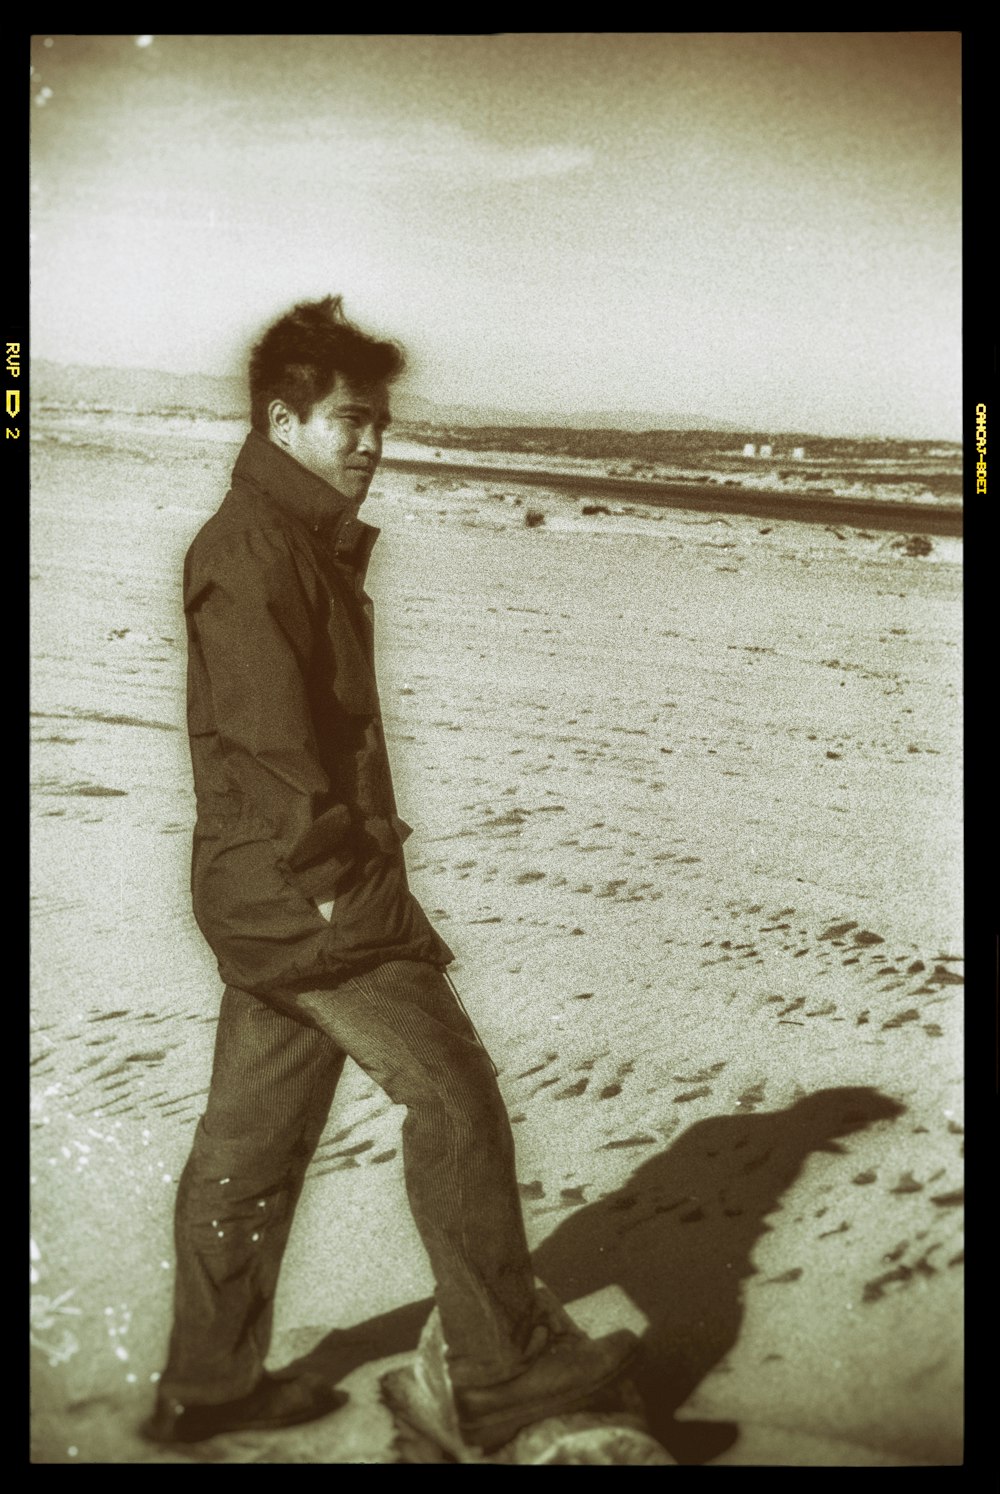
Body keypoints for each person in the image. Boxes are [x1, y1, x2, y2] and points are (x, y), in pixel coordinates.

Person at [142, 296, 636, 1453]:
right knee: (456, 1104)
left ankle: (205, 1387)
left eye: (380, 425)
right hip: (306, 903)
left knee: (248, 1143)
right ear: (284, 419)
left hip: (268, 896)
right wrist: (339, 895)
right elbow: (273, 749)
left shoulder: (283, 539)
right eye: (352, 423)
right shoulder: (255, 550)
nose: (373, 445)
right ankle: (498, 1369)